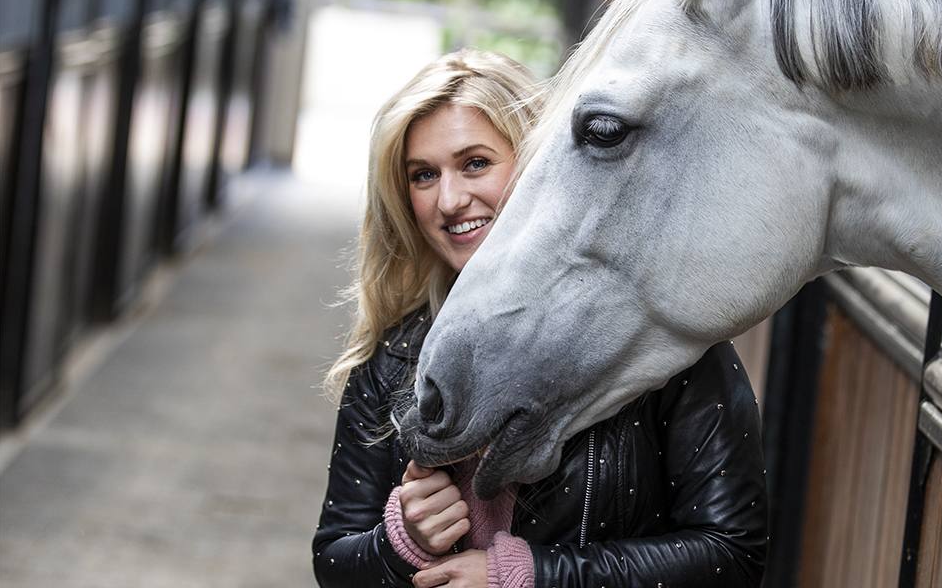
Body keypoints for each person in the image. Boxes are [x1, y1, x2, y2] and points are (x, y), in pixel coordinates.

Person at [313, 48, 768, 588]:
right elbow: (334, 560)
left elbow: (731, 555)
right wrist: (401, 541)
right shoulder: (394, 355)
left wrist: (530, 577)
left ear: (536, 162)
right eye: (423, 175)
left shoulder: (661, 342)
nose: (450, 199)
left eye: (475, 163)